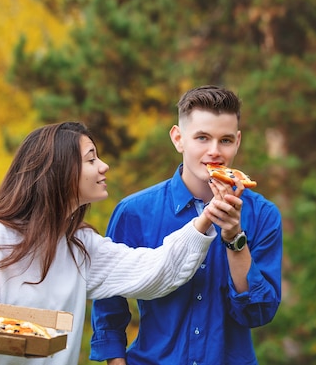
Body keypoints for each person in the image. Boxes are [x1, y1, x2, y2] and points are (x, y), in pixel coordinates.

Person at [0, 121, 246, 365]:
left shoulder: (80, 245)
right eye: (91, 159)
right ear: (58, 170)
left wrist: (207, 217)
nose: (103, 167)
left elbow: (156, 271)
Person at [90, 86, 283, 365]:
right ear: (178, 139)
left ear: (238, 141)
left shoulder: (264, 215)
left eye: (225, 140)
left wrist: (234, 239)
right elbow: (109, 307)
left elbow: (258, 313)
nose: (214, 151)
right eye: (202, 138)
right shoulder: (135, 213)